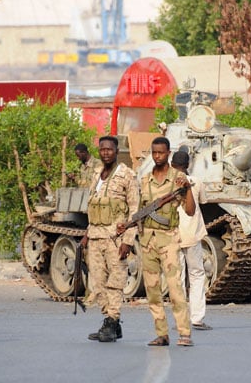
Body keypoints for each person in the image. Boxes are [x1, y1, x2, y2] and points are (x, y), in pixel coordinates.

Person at [80, 136, 139, 342]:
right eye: (102, 149)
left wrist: (128, 241)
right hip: (95, 236)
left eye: (110, 149)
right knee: (97, 283)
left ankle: (113, 321)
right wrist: (87, 234)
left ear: (117, 151)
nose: (106, 152)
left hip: (115, 238)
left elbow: (134, 210)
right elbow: (94, 205)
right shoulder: (97, 174)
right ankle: (109, 320)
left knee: (115, 282)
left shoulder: (126, 175)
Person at [138, 137, 195, 347]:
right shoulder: (145, 180)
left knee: (175, 289)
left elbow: (190, 211)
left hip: (168, 239)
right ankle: (162, 333)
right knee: (152, 290)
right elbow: (139, 210)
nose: (157, 156)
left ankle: (184, 332)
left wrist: (187, 189)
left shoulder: (178, 179)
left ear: (168, 153)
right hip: (148, 240)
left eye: (161, 153)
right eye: (154, 153)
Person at [171, 151, 212, 330]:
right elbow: (203, 201)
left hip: (173, 235)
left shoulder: (166, 183)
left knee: (177, 278)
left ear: (172, 164)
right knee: (196, 275)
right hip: (192, 234)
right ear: (188, 165)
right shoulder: (196, 182)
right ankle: (197, 318)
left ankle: (180, 319)